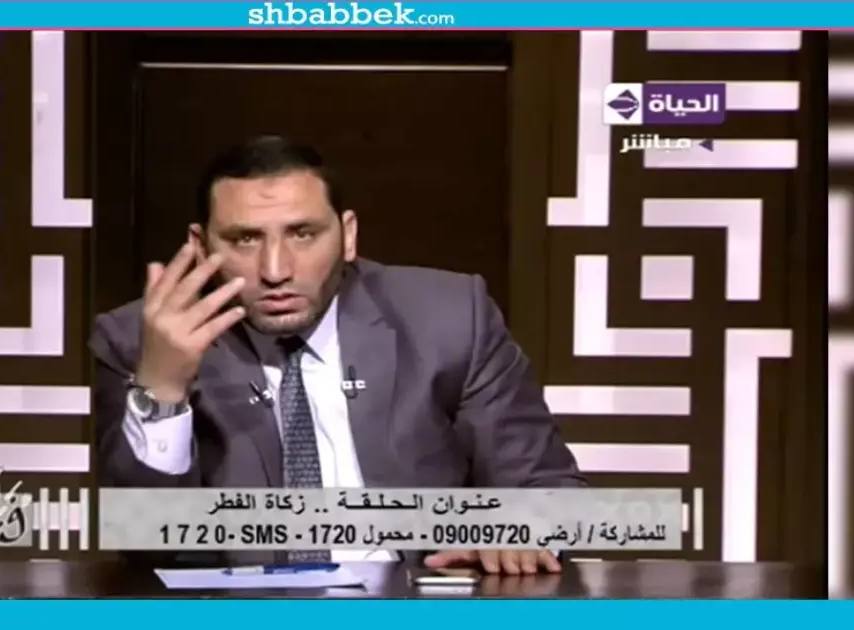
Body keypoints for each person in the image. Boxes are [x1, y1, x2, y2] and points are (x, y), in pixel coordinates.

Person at [90, 136, 586, 574]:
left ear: (348, 235)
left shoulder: (449, 318)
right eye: (245, 239)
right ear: (200, 246)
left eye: (303, 234)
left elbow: (548, 487)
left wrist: (523, 528)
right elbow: (144, 543)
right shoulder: (137, 338)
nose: (276, 269)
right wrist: (162, 390)